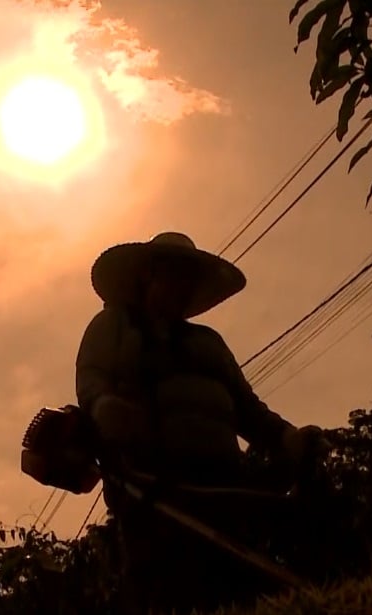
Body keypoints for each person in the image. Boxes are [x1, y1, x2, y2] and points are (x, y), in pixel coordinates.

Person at [75, 231, 326, 614]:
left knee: (233, 584)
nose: (181, 286)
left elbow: (247, 409)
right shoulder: (114, 327)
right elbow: (92, 380)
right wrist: (104, 407)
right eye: (173, 274)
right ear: (148, 275)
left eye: (187, 278)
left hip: (224, 483)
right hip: (152, 485)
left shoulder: (208, 343)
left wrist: (287, 437)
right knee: (167, 590)